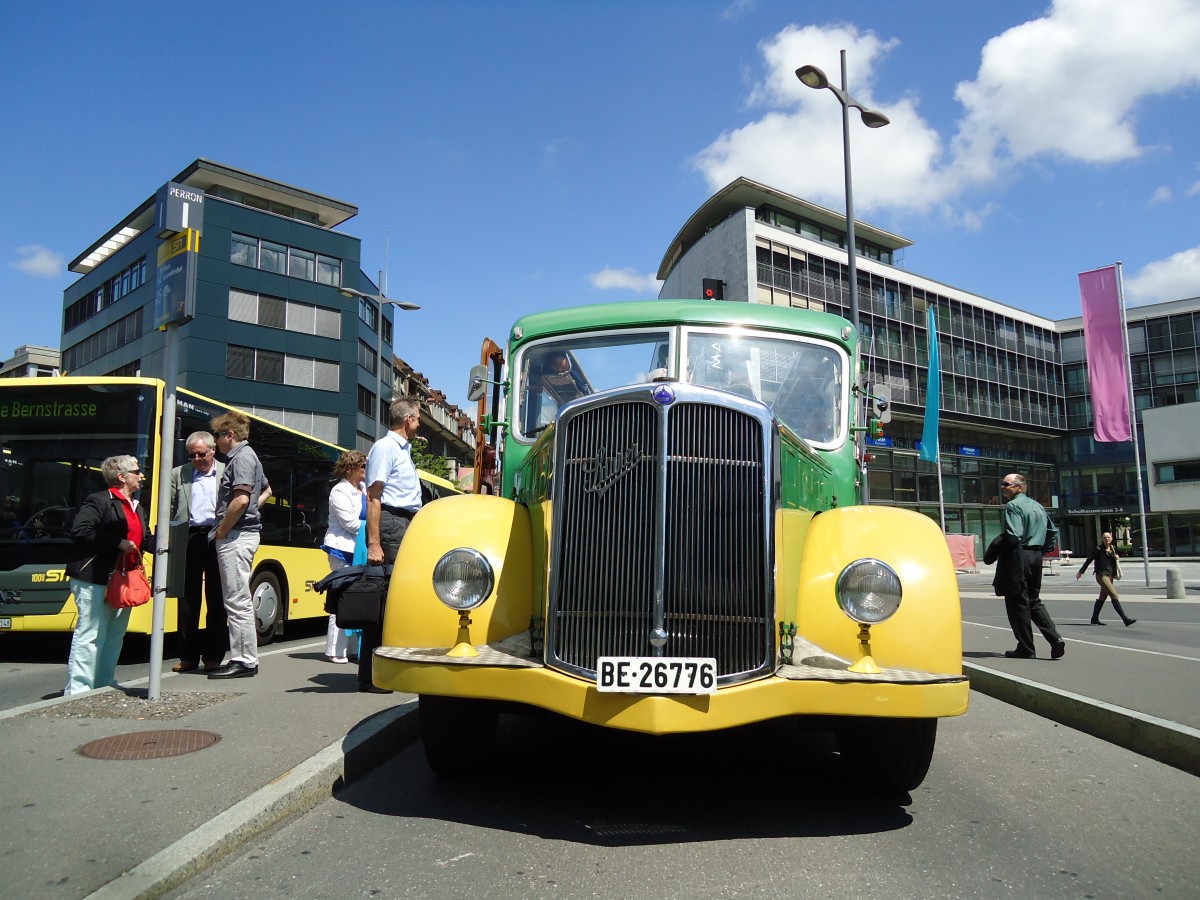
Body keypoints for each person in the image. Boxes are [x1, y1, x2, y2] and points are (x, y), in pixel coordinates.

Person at [63, 455, 153, 694]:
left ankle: (103, 683)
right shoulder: (100, 500)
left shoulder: (137, 506)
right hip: (95, 576)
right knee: (91, 632)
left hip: (125, 579)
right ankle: (79, 689)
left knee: (115, 634)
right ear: (122, 477)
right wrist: (118, 543)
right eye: (137, 471)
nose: (141, 475)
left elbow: (146, 539)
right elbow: (81, 531)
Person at [361, 396, 424, 693]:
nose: (420, 423)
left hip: (402, 524)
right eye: (419, 417)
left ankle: (381, 670)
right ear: (408, 419)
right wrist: (374, 543)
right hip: (391, 524)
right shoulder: (386, 448)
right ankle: (371, 674)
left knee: (395, 597)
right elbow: (374, 497)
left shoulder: (402, 449)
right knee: (385, 597)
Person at [207, 411, 271, 680]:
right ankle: (243, 658)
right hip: (242, 532)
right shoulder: (248, 456)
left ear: (229, 435)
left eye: (218, 436)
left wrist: (223, 529)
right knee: (237, 598)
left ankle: (244, 660)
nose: (215, 442)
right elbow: (267, 489)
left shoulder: (241, 457)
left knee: (236, 600)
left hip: (236, 535)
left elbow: (241, 499)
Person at [168, 432, 227, 672]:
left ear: (213, 450)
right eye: (192, 455)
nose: (196, 459)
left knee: (217, 597)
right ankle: (188, 656)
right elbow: (169, 507)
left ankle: (213, 656)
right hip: (189, 536)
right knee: (187, 598)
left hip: (218, 536)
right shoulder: (178, 473)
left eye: (201, 454)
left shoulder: (226, 470)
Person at [997, 473, 1066, 660]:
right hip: (1036, 556)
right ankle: (1055, 638)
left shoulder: (1013, 506)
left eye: (1006, 484)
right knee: (1033, 600)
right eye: (1002, 484)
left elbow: (1014, 534)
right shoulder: (1037, 506)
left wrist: (998, 549)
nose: (1002, 487)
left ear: (1020, 487)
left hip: (1020, 556)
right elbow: (1052, 531)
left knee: (1016, 602)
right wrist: (1042, 550)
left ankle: (1026, 647)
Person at [322, 450, 367, 663]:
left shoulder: (363, 489)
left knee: (355, 600)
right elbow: (348, 523)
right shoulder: (339, 490)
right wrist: (372, 528)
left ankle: (352, 649)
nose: (366, 471)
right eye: (362, 467)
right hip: (342, 548)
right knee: (340, 598)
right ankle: (334, 649)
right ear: (351, 469)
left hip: (358, 549)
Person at [1077, 531, 1136, 626]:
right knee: (1114, 595)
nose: (1106, 539)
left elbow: (1112, 562)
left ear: (1111, 538)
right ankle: (1125, 619)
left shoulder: (1112, 548)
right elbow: (1089, 560)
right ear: (1102, 539)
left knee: (1102, 598)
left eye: (1108, 537)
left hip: (1110, 575)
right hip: (1101, 575)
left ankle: (1094, 619)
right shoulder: (1098, 549)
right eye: (1104, 537)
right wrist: (1081, 572)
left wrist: (1116, 557)